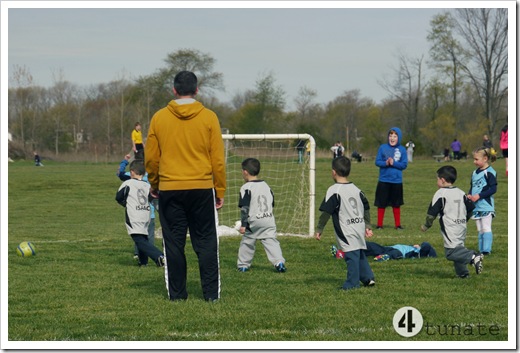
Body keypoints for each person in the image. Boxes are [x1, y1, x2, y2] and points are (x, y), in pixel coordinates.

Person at [145, 70, 226, 302]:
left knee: (173, 243)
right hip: (202, 188)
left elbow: (151, 158)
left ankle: (178, 295)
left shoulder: (159, 118)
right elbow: (218, 160)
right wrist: (219, 190)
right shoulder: (209, 117)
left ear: (174, 90)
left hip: (170, 188)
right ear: (197, 90)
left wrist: (155, 182)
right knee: (207, 242)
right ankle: (211, 295)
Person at [315, 156, 375, 290]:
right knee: (358, 252)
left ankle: (352, 283)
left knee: (351, 255)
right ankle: (368, 278)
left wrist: (319, 228)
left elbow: (326, 213)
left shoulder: (334, 190)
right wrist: (367, 225)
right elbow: (366, 207)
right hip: (359, 226)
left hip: (347, 228)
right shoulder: (356, 189)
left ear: (333, 172)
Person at [420, 165, 482, 278]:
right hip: (461, 226)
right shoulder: (461, 192)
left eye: (437, 179)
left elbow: (431, 214)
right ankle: (462, 274)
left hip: (450, 227)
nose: (437, 181)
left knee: (451, 253)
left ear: (442, 180)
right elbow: (470, 209)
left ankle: (473, 257)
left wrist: (426, 226)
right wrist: (464, 220)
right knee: (458, 250)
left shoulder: (440, 193)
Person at [236, 158, 286, 273]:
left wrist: (244, 224)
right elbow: (272, 202)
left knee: (247, 241)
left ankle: (243, 265)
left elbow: (245, 208)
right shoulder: (266, 185)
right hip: (268, 219)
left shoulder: (246, 188)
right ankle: (279, 263)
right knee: (271, 241)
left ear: (245, 172)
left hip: (254, 221)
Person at [115, 160, 165, 267]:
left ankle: (159, 256)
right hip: (146, 214)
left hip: (134, 215)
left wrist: (125, 203)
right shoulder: (147, 185)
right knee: (143, 237)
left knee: (138, 239)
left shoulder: (127, 183)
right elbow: (152, 197)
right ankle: (143, 262)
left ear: (132, 172)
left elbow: (118, 197)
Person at [374, 127, 408, 230]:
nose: (392, 138)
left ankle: (397, 225)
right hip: (383, 180)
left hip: (396, 181)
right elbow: (377, 162)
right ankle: (379, 225)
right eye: (390, 136)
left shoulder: (402, 150)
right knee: (381, 203)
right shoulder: (382, 148)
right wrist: (386, 163)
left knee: (396, 204)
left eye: (395, 136)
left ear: (399, 137)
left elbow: (404, 165)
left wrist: (394, 163)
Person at [467, 147, 498, 255]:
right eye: (474, 159)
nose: (474, 161)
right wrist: (470, 195)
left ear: (485, 159)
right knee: (479, 229)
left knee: (486, 227)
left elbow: (493, 189)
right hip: (476, 206)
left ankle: (486, 250)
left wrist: (479, 195)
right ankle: (481, 250)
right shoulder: (474, 173)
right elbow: (472, 186)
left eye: (476, 159)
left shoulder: (490, 172)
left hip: (486, 206)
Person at [364, 241, 437, 261]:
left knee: (394, 254)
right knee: (372, 245)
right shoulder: (413, 249)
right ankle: (360, 249)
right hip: (390, 248)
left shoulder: (417, 254)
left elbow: (426, 244)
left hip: (400, 252)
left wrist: (419, 247)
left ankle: (385, 257)